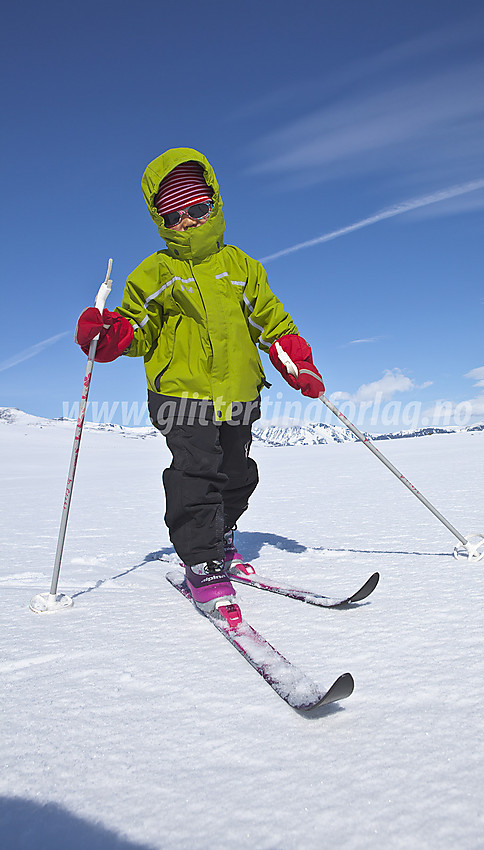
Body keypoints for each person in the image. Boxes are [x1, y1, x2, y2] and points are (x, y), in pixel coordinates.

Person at [75, 147, 324, 614]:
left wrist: (296, 360)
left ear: (215, 204)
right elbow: (138, 328)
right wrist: (108, 335)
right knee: (196, 474)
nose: (188, 221)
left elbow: (272, 322)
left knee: (237, 473)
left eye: (198, 208)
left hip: (240, 391)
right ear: (161, 220)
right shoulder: (154, 273)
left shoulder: (243, 267)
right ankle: (203, 561)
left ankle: (222, 534)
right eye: (174, 215)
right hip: (181, 395)